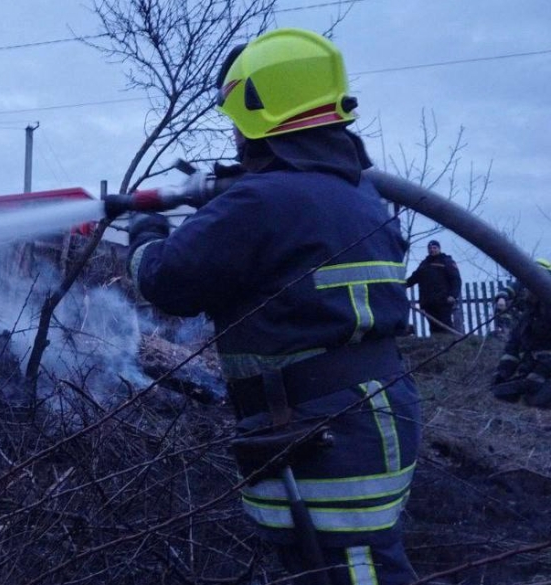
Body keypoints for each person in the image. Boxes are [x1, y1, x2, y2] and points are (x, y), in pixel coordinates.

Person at [127, 29, 420, 584]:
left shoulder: (261, 202)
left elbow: (166, 278)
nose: (235, 136)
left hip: (323, 434)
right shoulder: (359, 194)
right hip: (366, 417)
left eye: (239, 120)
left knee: (349, 571)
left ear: (259, 109)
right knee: (356, 562)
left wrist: (145, 232)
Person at [490, 259, 551, 407]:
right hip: (532, 372)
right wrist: (502, 373)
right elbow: (513, 348)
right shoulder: (527, 317)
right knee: (500, 394)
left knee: (537, 401)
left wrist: (538, 375)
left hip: (546, 373)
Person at [405, 240, 462, 334]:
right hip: (428, 302)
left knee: (445, 325)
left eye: (434, 248)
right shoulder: (424, 264)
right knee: (433, 327)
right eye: (430, 248)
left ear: (439, 248)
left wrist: (453, 295)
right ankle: (438, 346)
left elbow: (456, 280)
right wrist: (401, 285)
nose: (432, 250)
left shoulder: (447, 262)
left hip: (443, 301)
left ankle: (449, 344)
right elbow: (414, 278)